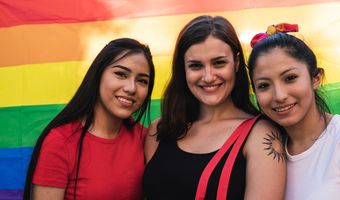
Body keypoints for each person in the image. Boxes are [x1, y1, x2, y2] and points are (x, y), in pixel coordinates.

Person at [248, 23, 340, 200]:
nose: (279, 95)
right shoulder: (261, 151)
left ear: (315, 78)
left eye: (290, 78)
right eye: (264, 85)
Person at [143, 15, 286, 200]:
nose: (208, 76)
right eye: (196, 66)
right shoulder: (159, 130)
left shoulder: (261, 135)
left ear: (236, 62)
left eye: (219, 63)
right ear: (183, 69)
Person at [23, 38, 155, 200]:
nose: (131, 88)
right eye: (121, 74)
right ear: (98, 74)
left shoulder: (145, 137)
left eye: (142, 81)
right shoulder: (61, 141)